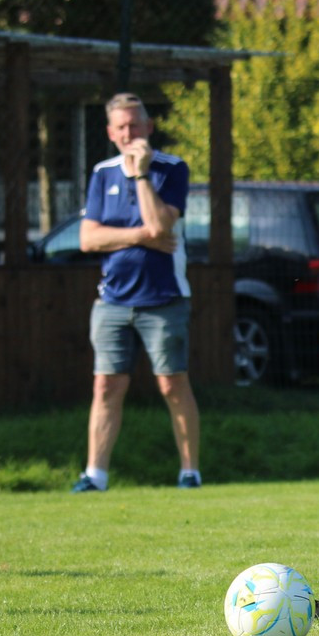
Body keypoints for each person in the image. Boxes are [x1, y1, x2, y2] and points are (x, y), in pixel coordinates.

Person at [72, 92, 200, 492]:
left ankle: (190, 472)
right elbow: (88, 239)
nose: (129, 133)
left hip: (164, 299)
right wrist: (142, 236)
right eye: (121, 127)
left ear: (149, 126)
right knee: (106, 386)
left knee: (171, 384)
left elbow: (162, 225)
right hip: (111, 301)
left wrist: (142, 175)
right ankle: (95, 475)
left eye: (135, 124)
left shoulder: (171, 169)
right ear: (110, 133)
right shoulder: (102, 173)